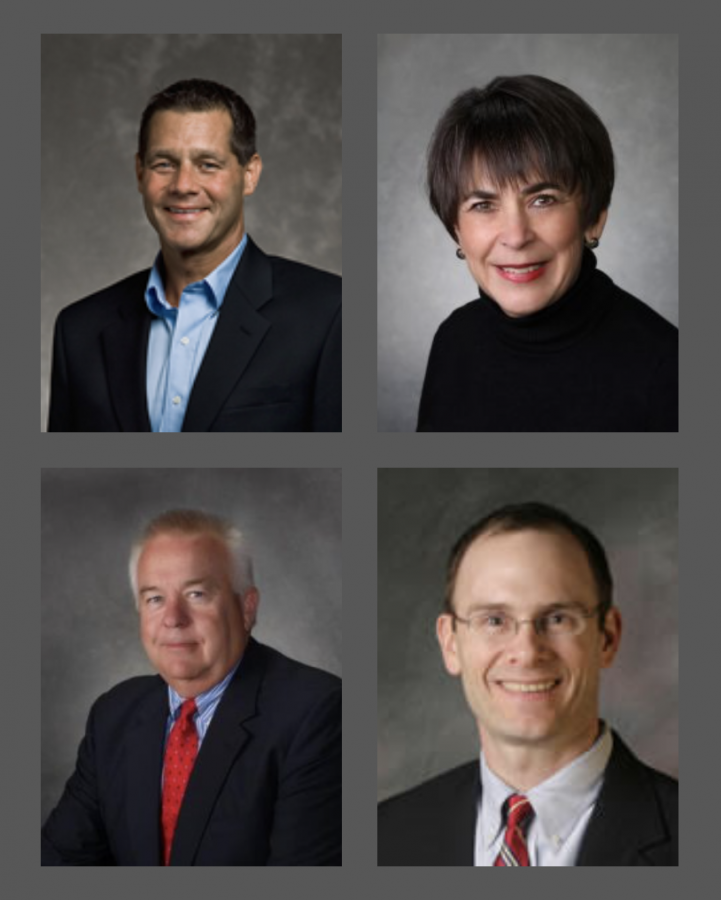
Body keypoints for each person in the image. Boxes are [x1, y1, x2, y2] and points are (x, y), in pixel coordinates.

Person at [378, 502, 677, 866]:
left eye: (557, 618)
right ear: (451, 643)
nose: (527, 651)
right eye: (494, 620)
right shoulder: (382, 835)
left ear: (607, 638)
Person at [42, 509, 341, 865]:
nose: (172, 618)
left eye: (196, 594)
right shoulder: (114, 715)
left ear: (247, 608)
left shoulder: (317, 712)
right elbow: (59, 860)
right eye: (154, 598)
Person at [48, 79, 341, 432]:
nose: (183, 185)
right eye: (164, 164)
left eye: (208, 164)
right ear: (140, 173)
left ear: (249, 175)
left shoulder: (329, 313)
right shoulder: (79, 331)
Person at [417, 75, 678, 432]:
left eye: (543, 200)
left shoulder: (668, 367)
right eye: (483, 205)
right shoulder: (454, 341)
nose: (516, 236)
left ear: (594, 218)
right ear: (456, 230)